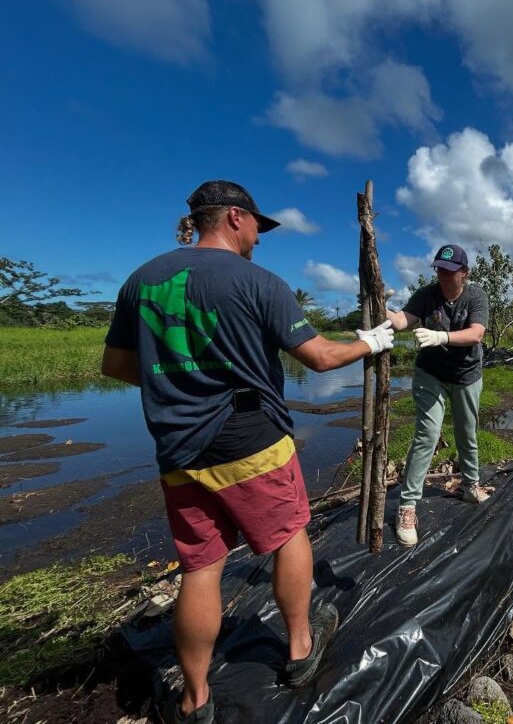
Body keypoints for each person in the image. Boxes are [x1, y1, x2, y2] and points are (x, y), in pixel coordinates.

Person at [101, 180, 394, 724]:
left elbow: (115, 366)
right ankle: (301, 648)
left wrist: (181, 383)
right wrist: (373, 341)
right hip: (250, 441)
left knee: (201, 565)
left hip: (177, 449)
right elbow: (320, 358)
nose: (260, 237)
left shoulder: (141, 280)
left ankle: (194, 699)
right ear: (235, 218)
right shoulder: (259, 282)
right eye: (259, 225)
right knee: (288, 536)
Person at [385, 244, 490, 547]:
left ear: (464, 272)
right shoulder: (427, 294)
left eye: (450, 270)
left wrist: (441, 336)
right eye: (439, 269)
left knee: (466, 432)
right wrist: (379, 306)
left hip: (466, 374)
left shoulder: (476, 296)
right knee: (427, 434)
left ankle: (470, 485)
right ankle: (407, 506)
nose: (443, 275)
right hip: (430, 373)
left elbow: (476, 334)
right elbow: (402, 320)